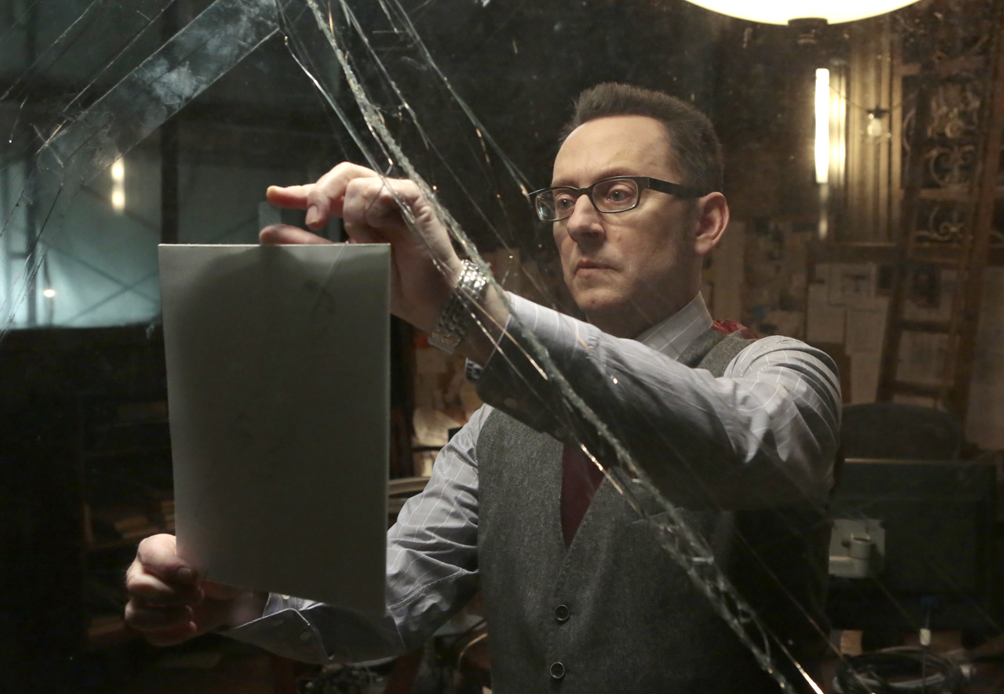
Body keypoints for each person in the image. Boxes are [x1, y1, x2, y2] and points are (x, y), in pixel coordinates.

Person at [125, 83, 841, 693]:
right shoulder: (498, 425)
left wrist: (468, 305)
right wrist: (237, 596)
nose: (580, 223)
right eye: (563, 200)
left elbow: (749, 442)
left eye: (618, 193)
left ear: (706, 222)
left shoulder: (782, 374)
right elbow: (389, 598)